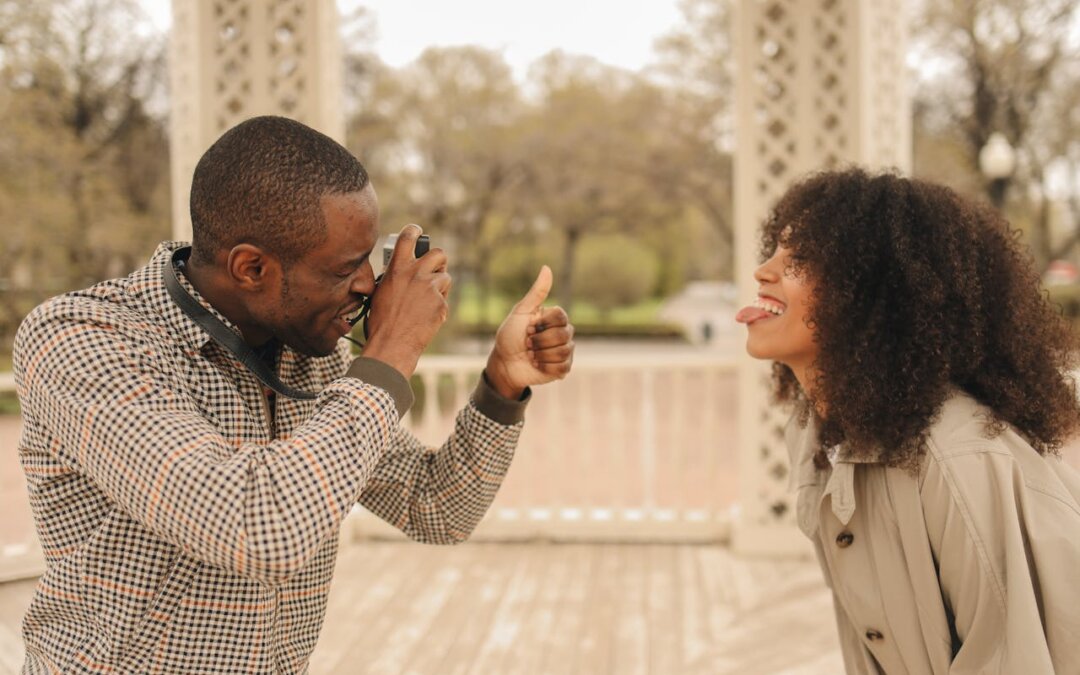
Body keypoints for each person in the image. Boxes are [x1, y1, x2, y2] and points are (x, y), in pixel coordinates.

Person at [13, 115, 575, 672]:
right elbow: (257, 528)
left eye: (369, 261)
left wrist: (502, 382)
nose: (368, 286)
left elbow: (435, 507)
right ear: (252, 267)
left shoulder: (312, 356)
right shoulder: (82, 341)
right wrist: (392, 350)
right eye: (345, 268)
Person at [737, 167, 1080, 674]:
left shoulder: (953, 456)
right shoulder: (825, 434)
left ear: (874, 295)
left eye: (802, 258)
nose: (764, 271)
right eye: (776, 250)